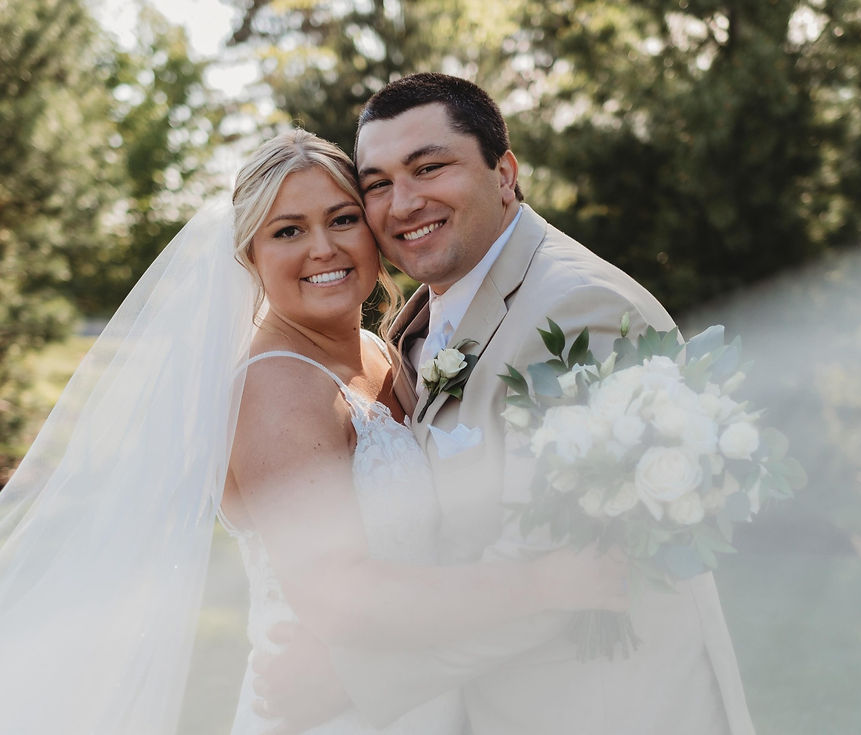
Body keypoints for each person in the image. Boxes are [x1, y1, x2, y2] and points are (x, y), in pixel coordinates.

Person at [0, 129, 627, 735]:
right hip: (333, 715)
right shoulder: (275, 388)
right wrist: (545, 583)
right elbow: (341, 596)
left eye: (342, 219)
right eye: (288, 230)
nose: (323, 247)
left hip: (424, 701)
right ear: (249, 253)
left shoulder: (378, 350)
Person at [252, 73, 756, 735]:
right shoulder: (421, 320)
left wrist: (350, 678)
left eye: (429, 166)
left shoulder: (578, 310)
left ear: (504, 172)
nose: (403, 202)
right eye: (377, 183)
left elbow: (567, 567)